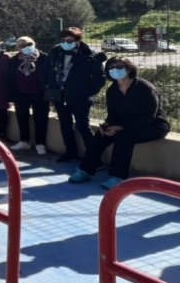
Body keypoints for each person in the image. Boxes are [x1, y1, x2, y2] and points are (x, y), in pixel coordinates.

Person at [68, 58, 169, 189]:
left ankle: (118, 177)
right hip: (126, 125)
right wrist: (107, 125)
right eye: (111, 68)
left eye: (119, 67)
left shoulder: (145, 88)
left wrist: (120, 127)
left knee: (124, 137)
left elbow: (148, 116)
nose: (115, 70)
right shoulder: (112, 91)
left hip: (153, 125)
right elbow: (113, 114)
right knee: (101, 135)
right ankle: (85, 170)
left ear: (129, 68)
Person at [41, 27, 106, 163]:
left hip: (81, 98)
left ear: (78, 41)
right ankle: (71, 153)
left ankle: (94, 159)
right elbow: (45, 72)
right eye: (63, 40)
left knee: (83, 127)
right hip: (59, 97)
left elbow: (100, 78)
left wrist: (86, 93)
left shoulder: (90, 56)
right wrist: (48, 89)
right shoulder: (55, 52)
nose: (66, 43)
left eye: (69, 40)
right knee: (65, 126)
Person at [5, 37, 50, 155]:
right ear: (18, 48)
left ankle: (40, 144)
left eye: (29, 44)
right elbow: (10, 78)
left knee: (41, 118)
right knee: (22, 117)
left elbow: (49, 75)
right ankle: (24, 141)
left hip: (40, 93)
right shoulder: (14, 60)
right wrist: (11, 96)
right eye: (22, 46)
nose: (27, 47)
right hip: (21, 93)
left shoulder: (44, 58)